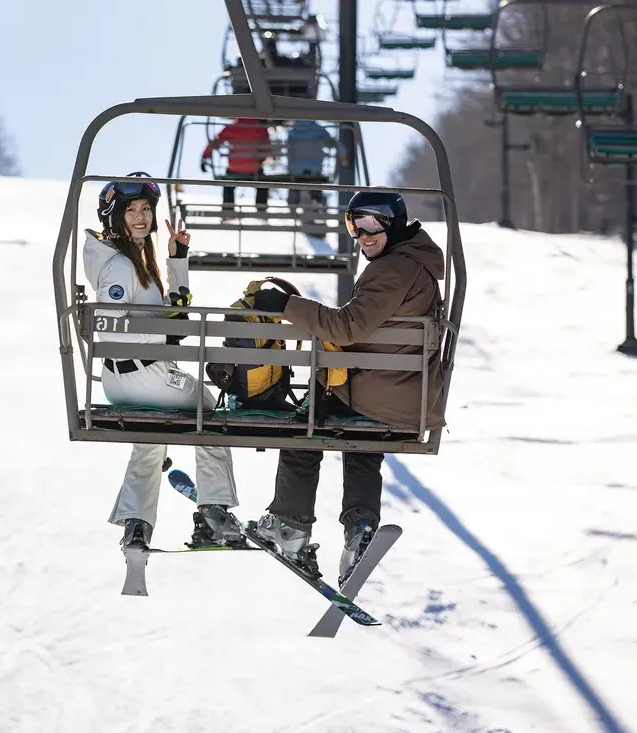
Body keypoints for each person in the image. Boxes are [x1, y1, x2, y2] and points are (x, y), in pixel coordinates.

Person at [247, 191, 448, 584]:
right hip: (400, 397)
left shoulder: (393, 269)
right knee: (360, 444)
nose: (362, 235)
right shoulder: (412, 265)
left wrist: (287, 305)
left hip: (379, 393)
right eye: (354, 226)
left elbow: (346, 325)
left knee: (304, 424)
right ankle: (360, 531)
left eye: (372, 224)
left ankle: (289, 523)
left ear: (396, 222)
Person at [82, 172, 243, 551]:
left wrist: (176, 259)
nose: (140, 217)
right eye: (130, 210)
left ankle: (136, 524)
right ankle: (214, 512)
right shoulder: (120, 266)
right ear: (113, 215)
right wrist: (162, 333)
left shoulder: (131, 256)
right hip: (140, 373)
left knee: (150, 437)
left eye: (145, 209)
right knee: (208, 409)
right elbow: (115, 328)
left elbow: (164, 310)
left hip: (124, 378)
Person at [200, 118, 274, 214]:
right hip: (254, 170)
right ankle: (261, 210)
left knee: (228, 186)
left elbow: (215, 142)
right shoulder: (260, 129)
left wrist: (205, 156)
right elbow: (267, 149)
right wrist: (259, 161)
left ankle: (228, 211)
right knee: (263, 185)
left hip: (234, 169)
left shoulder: (232, 127)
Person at [285, 120, 349, 208]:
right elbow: (332, 143)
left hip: (296, 170)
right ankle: (318, 203)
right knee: (315, 187)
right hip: (314, 170)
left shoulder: (293, 131)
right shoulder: (317, 129)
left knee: (294, 187)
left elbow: (289, 150)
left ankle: (292, 206)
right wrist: (343, 155)